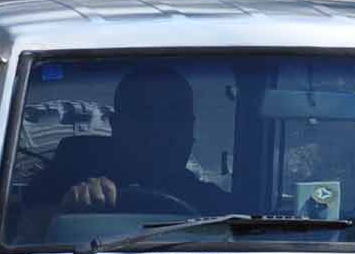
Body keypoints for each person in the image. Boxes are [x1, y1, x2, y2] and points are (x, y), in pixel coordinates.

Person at [27, 63, 231, 215]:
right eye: (146, 116)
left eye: (176, 117)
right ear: (118, 126)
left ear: (190, 127)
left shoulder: (212, 205)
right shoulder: (61, 183)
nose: (162, 130)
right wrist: (67, 212)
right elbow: (24, 236)